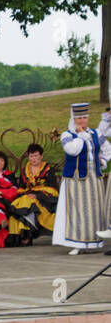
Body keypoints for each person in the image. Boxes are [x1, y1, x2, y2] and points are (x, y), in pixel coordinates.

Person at [54, 101, 107, 254]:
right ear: (74, 119)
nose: (82, 121)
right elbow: (72, 150)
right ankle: (77, 243)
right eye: (79, 118)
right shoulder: (68, 135)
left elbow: (106, 150)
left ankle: (93, 243)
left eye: (84, 117)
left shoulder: (96, 134)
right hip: (76, 180)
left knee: (94, 211)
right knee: (78, 211)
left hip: (94, 179)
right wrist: (81, 136)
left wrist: (102, 161)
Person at [10, 143, 59, 240]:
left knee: (29, 203)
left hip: (44, 199)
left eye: (36, 156)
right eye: (31, 156)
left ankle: (26, 236)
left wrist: (37, 195)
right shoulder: (24, 170)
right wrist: (28, 194)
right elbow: (20, 188)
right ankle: (22, 235)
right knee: (21, 203)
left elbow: (52, 189)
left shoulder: (48, 169)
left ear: (41, 156)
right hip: (27, 197)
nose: (33, 159)